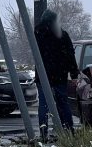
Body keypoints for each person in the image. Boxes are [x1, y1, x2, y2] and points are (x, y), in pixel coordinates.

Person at [34, 9, 79, 139]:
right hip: (59, 74)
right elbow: (70, 55)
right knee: (63, 103)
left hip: (43, 75)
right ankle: (68, 130)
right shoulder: (63, 35)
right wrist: (74, 74)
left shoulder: (37, 34)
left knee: (43, 104)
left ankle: (43, 132)